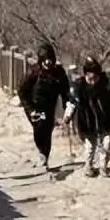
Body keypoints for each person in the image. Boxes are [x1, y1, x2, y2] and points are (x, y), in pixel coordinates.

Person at [18, 42, 72, 173]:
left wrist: (67, 106)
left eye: (50, 60)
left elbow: (65, 91)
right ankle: (41, 152)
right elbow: (22, 92)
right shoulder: (33, 72)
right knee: (39, 128)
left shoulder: (58, 72)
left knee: (47, 131)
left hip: (50, 105)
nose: (48, 63)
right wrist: (30, 109)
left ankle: (44, 156)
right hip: (34, 105)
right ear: (41, 60)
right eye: (45, 60)